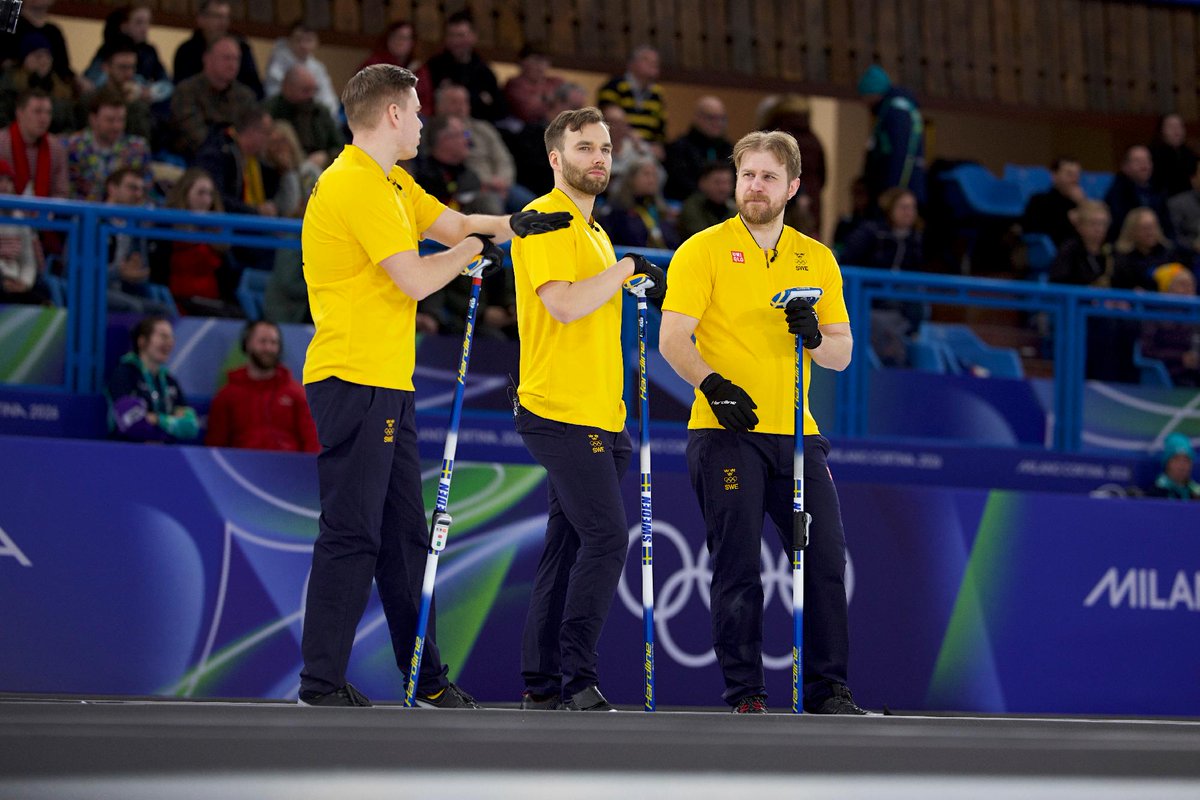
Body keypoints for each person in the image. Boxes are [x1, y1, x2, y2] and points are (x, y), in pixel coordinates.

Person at [297, 63, 571, 708]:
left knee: (404, 540)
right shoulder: (355, 184)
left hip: (387, 381)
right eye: (418, 112)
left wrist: (518, 224)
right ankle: (320, 682)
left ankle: (426, 678)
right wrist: (467, 256)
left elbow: (456, 224)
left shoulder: (393, 183)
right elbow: (417, 279)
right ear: (392, 114)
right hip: (351, 374)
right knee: (353, 533)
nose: (423, 122)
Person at [658, 130, 870, 715]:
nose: (754, 186)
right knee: (737, 565)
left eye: (768, 177)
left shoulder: (816, 257)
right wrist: (714, 386)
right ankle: (746, 693)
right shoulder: (702, 248)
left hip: (797, 435)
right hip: (725, 431)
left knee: (825, 560)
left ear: (792, 187)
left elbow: (842, 351)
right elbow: (672, 336)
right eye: (746, 174)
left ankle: (830, 691)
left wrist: (815, 337)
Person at [510, 105, 665, 712]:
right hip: (560, 410)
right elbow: (565, 306)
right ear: (556, 158)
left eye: (604, 148)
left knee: (569, 546)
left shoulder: (594, 231)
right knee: (606, 538)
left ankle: (542, 681)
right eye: (583, 148)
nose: (598, 157)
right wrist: (628, 269)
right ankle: (577, 677)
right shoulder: (547, 220)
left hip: (603, 415)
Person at [206, 320, 319, 452]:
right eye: (262, 341)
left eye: (273, 342)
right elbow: (215, 447)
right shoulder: (227, 395)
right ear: (247, 344)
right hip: (240, 467)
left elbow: (312, 443)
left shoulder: (297, 393)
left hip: (288, 468)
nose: (268, 348)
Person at [106, 315, 199, 443]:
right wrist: (172, 424)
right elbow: (132, 423)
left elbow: (191, 426)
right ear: (142, 341)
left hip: (164, 455)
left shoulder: (170, 380)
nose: (170, 342)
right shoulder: (125, 373)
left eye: (171, 337)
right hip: (127, 454)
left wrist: (155, 419)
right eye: (163, 336)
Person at [169, 35, 259, 157]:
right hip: (194, 159)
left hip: (238, 160)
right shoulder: (187, 91)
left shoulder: (245, 96)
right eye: (227, 58)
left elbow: (252, 134)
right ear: (207, 59)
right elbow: (195, 135)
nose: (233, 65)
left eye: (236, 59)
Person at [65, 86, 152, 202]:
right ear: (93, 119)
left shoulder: (138, 149)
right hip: (83, 215)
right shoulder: (74, 147)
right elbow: (67, 192)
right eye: (110, 120)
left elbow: (147, 192)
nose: (117, 126)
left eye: (121, 120)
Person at [857, 64, 925, 210]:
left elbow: (900, 153)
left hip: (895, 189)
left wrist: (892, 194)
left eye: (865, 96)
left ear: (873, 93)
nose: (864, 103)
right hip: (896, 186)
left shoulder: (896, 113)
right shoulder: (898, 109)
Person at [424, 11, 506, 122]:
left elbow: (498, 109)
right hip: (443, 125)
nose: (456, 41)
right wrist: (479, 98)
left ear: (473, 37)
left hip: (478, 126)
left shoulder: (484, 71)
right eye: (451, 35)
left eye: (461, 36)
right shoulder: (434, 67)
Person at [172, 0, 263, 98]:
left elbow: (256, 89)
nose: (223, 22)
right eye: (217, 16)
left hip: (237, 106)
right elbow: (182, 89)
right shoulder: (187, 51)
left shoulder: (241, 48)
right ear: (201, 19)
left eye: (226, 17)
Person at [265, 64, 344, 169]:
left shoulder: (320, 111)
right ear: (287, 88)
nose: (311, 95)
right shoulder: (270, 111)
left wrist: (326, 156)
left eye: (314, 90)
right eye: (305, 90)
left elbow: (340, 146)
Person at [596, 45, 667, 159]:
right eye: (646, 59)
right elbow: (607, 117)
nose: (653, 64)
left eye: (656, 62)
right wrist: (629, 135)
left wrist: (658, 146)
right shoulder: (614, 85)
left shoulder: (657, 93)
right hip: (619, 146)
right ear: (632, 64)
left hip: (646, 149)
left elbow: (660, 128)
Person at [597, 153, 680, 250]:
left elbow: (673, 242)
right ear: (631, 178)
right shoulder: (615, 212)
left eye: (654, 175)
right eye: (646, 174)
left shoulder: (660, 212)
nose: (651, 180)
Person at [263, 21, 339, 120]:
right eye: (298, 40)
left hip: (314, 117)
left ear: (316, 43)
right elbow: (274, 96)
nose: (303, 45)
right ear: (289, 41)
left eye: (309, 40)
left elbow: (328, 99)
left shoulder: (318, 68)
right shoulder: (277, 64)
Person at [1139, 263, 1200, 387]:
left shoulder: (1196, 315)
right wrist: (1180, 358)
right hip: (1167, 372)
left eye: (1191, 285)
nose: (1189, 289)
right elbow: (1147, 350)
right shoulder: (1154, 316)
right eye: (1182, 285)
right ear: (1168, 288)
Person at [0, 89, 68, 199]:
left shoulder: (56, 147)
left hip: (45, 213)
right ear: (19, 113)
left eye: (48, 112)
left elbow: (61, 192)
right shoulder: (2, 143)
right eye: (37, 111)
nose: (44, 118)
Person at [663, 95, 733, 202]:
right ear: (697, 117)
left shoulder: (730, 150)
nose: (717, 123)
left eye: (722, 119)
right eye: (711, 118)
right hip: (686, 202)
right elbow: (678, 182)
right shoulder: (679, 148)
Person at [0, 158, 48, 305]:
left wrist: (24, 282)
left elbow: (28, 258)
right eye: (0, 180)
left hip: (17, 277)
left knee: (45, 295)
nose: (5, 186)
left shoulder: (19, 216)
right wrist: (6, 278)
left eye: (8, 181)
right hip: (3, 276)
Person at [356, 20, 433, 112]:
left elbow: (426, 101)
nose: (400, 42)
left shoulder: (418, 68)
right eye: (396, 37)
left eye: (405, 38)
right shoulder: (373, 65)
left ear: (412, 43)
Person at [1104, 145, 1174, 243]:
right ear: (1125, 167)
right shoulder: (1117, 191)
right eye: (1137, 161)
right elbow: (1117, 224)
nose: (1144, 164)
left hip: (1158, 244)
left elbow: (1167, 225)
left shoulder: (1159, 189)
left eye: (1147, 160)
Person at [1021, 157, 1085, 247]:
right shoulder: (1039, 201)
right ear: (1054, 176)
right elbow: (1032, 230)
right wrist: (1068, 219)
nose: (1074, 179)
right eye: (1069, 174)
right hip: (1057, 250)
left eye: (1077, 175)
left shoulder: (1080, 203)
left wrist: (1082, 204)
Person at [502, 43, 562, 126]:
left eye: (546, 61)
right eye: (536, 60)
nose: (541, 66)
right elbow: (527, 111)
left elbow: (576, 100)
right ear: (521, 62)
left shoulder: (556, 82)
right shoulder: (515, 85)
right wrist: (551, 100)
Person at [677, 161, 735, 241]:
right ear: (702, 183)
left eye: (728, 183)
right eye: (717, 182)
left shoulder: (734, 208)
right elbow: (701, 237)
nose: (723, 188)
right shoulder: (692, 206)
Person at [1149, 113, 1198, 200]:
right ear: (1161, 131)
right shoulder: (1152, 155)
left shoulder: (1190, 154)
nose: (1176, 130)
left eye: (1180, 126)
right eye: (1171, 127)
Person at [1144, 432, 1200, 500]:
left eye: (1186, 460)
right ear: (1167, 463)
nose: (1182, 465)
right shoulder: (1155, 492)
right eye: (1176, 459)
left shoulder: (1196, 492)